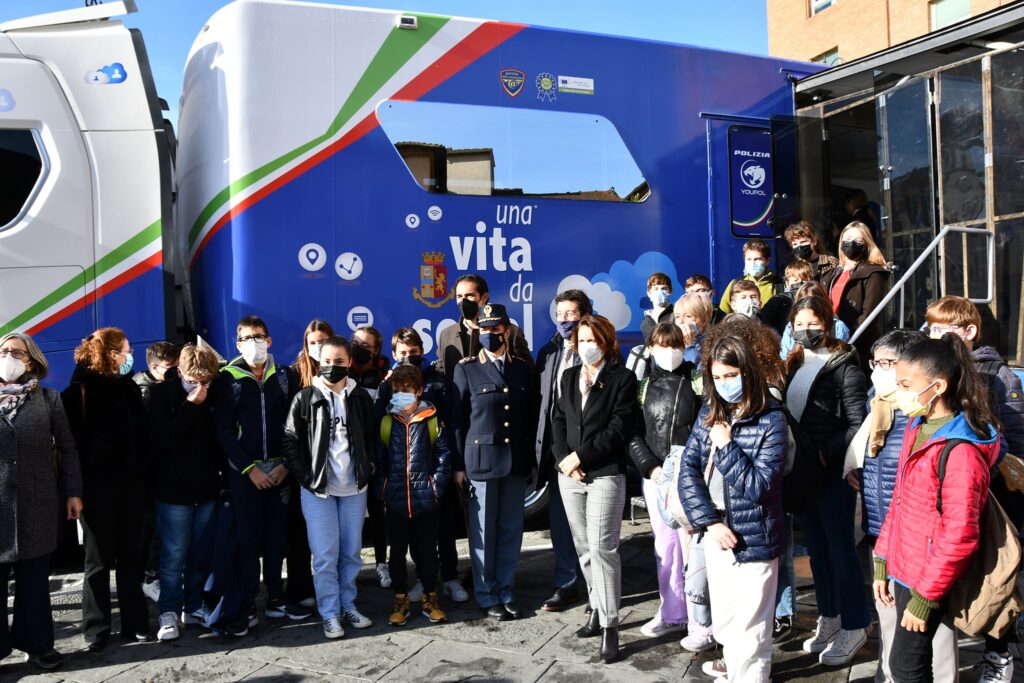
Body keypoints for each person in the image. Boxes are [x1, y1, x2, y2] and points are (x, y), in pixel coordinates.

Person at [873, 334, 1001, 682]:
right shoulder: (918, 426)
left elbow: (960, 534)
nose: (898, 392)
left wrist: (926, 597)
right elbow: (899, 503)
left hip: (926, 578)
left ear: (938, 386)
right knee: (906, 665)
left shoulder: (960, 450)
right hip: (906, 567)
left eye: (905, 384)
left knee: (905, 667)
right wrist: (883, 560)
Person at [841, 329, 953, 683]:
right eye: (877, 362)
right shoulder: (880, 405)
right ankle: (887, 673)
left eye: (889, 363)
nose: (880, 371)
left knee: (934, 632)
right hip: (886, 531)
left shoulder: (929, 422)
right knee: (892, 622)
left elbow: (955, 524)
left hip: (924, 544)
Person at [924, 295, 1024, 680]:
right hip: (948, 494)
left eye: (946, 329)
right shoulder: (932, 372)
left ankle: (1000, 653)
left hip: (992, 494)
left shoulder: (997, 375)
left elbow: (1014, 436)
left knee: (994, 576)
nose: (936, 335)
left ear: (969, 332)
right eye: (931, 327)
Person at [678, 334, 787, 682]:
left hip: (756, 535)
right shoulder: (710, 414)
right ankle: (734, 666)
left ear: (748, 372)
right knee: (725, 616)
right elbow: (688, 471)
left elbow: (760, 486)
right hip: (717, 533)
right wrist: (709, 522)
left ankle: (752, 676)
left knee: (752, 624)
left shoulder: (771, 420)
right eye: (718, 377)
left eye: (731, 375)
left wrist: (726, 447)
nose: (725, 384)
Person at [783, 297, 871, 666]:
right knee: (817, 554)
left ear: (828, 323)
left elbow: (856, 423)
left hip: (830, 474)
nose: (806, 329)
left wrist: (824, 454)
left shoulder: (845, 368)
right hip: (802, 475)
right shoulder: (796, 362)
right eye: (799, 323)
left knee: (841, 552)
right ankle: (829, 617)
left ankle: (856, 624)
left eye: (813, 322)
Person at [213, 315, 306, 632]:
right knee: (248, 542)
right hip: (245, 474)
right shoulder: (227, 379)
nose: (255, 343)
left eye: (260, 336)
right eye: (247, 338)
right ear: (237, 343)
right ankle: (249, 601)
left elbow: (296, 425)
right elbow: (224, 432)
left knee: (277, 539)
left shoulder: (284, 376)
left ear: (269, 340)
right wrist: (249, 470)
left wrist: (285, 466)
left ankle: (277, 599)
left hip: (280, 470)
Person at [552, 314, 636, 663]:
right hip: (569, 476)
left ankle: (611, 625)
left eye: (593, 340)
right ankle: (596, 608)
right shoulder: (570, 376)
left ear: (607, 341)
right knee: (584, 548)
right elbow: (558, 419)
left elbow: (618, 430)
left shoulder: (623, 379)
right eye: (581, 340)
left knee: (603, 548)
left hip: (604, 473)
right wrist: (562, 459)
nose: (587, 346)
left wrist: (579, 457)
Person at [448, 303, 539, 622]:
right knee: (483, 532)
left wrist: (530, 459)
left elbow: (528, 418)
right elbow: (457, 421)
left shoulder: (522, 369)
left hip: (515, 460)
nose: (490, 334)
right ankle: (486, 595)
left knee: (511, 530)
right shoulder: (466, 368)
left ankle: (506, 590)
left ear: (506, 331)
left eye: (495, 329)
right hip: (480, 462)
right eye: (484, 329)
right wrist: (458, 464)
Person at [62, 327, 150, 650]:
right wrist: (74, 491)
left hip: (130, 488)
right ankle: (97, 630)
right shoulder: (77, 393)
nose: (130, 356)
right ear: (112, 354)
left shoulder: (129, 389)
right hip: (95, 491)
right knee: (96, 561)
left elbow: (142, 439)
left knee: (130, 557)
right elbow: (69, 446)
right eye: (126, 350)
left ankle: (135, 622)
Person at [283, 335, 375, 639]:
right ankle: (330, 613)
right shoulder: (305, 398)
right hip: (318, 491)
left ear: (349, 362)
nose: (333, 367)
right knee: (324, 556)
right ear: (317, 362)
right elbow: (290, 441)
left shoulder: (360, 397)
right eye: (327, 361)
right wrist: (307, 479)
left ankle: (348, 605)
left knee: (351, 553)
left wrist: (369, 468)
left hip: (354, 489)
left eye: (339, 361)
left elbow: (372, 438)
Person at [0, 333, 82, 670]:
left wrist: (74, 491)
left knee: (34, 582)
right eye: (3, 351)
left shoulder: (48, 399)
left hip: (38, 502)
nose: (7, 356)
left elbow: (67, 446)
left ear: (30, 360)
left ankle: (38, 645)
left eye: (15, 352)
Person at [375, 327, 465, 603]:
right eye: (403, 353)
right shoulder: (386, 385)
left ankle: (449, 578)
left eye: (414, 353)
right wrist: (386, 484)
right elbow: (380, 431)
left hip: (433, 474)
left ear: (422, 352)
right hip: (403, 479)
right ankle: (422, 584)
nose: (409, 358)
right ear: (394, 354)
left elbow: (450, 423)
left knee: (445, 529)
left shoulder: (436, 380)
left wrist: (441, 478)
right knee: (412, 540)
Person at [628, 323, 698, 640]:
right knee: (666, 546)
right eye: (661, 346)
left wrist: (689, 468)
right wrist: (650, 467)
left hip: (689, 476)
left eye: (674, 345)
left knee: (693, 546)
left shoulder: (697, 381)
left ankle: (700, 619)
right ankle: (672, 612)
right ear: (651, 348)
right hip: (655, 476)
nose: (668, 352)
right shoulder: (642, 386)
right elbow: (634, 434)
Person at [149, 344, 222, 641]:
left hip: (206, 487)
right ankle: (168, 609)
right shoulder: (161, 395)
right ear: (180, 372)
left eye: (206, 381)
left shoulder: (215, 393)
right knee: (173, 555)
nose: (201, 387)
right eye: (194, 380)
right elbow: (162, 441)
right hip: (173, 490)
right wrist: (190, 405)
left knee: (201, 553)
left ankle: (193, 605)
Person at [377, 365, 452, 626]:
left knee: (428, 552)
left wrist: (435, 487)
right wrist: (384, 488)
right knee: (396, 554)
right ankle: (400, 600)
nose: (400, 396)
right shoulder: (388, 421)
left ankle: (430, 599)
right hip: (396, 500)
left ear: (419, 391)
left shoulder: (431, 419)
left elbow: (444, 456)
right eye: (396, 391)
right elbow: (380, 459)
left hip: (425, 500)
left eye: (407, 391)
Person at [534, 290, 592, 612]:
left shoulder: (599, 351)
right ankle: (567, 583)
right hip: (559, 453)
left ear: (584, 314)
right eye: (561, 313)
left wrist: (583, 454)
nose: (565, 319)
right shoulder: (547, 353)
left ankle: (598, 587)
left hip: (591, 453)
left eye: (571, 313)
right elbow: (545, 406)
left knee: (593, 527)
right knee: (561, 523)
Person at [286, 320, 335, 611]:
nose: (317, 347)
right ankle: (299, 588)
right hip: (303, 469)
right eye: (312, 342)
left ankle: (332, 590)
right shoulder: (294, 376)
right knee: (299, 535)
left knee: (331, 538)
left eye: (322, 341)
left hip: (336, 468)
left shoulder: (341, 371)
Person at [133, 341, 179, 604]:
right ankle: (151, 578)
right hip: (152, 472)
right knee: (157, 528)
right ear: (154, 367)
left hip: (158, 470)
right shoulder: (146, 391)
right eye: (171, 369)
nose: (176, 374)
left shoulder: (152, 386)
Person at [435, 274, 533, 383]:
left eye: (469, 295)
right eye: (459, 296)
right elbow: (440, 373)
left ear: (484, 297)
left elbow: (528, 373)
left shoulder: (511, 332)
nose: (463, 301)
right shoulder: (447, 334)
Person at [823, 221, 889, 363]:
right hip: (831, 340)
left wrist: (849, 338)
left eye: (857, 240)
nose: (851, 244)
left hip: (857, 342)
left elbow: (869, 313)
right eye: (846, 240)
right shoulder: (832, 274)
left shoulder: (873, 273)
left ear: (866, 244)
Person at [780, 282, 851, 359]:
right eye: (802, 301)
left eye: (813, 302)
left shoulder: (837, 326)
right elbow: (784, 355)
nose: (807, 306)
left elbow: (840, 355)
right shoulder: (790, 326)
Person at [719, 238, 781, 314]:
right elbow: (722, 314)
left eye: (757, 259)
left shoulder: (779, 285)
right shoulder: (735, 284)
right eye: (749, 259)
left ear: (767, 261)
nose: (752, 263)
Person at [761, 259, 813, 335]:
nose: (800, 283)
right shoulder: (778, 301)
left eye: (804, 280)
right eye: (795, 280)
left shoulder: (816, 300)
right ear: (787, 283)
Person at [673, 293, 713, 369]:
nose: (681, 321)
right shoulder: (672, 343)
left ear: (704, 320)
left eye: (688, 316)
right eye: (677, 316)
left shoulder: (713, 344)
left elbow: (698, 375)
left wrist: (689, 347)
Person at [640, 272, 675, 344]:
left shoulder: (678, 313)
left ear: (670, 292)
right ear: (649, 293)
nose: (660, 292)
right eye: (656, 289)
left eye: (664, 288)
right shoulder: (646, 321)